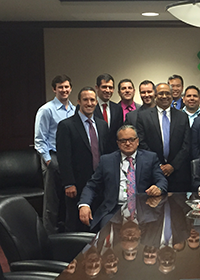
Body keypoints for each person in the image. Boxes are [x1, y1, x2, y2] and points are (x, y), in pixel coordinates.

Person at [78, 125, 167, 231]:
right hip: (113, 209)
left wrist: (158, 188)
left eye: (131, 140)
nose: (128, 143)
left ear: (137, 141)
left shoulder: (150, 158)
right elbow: (91, 186)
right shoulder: (106, 160)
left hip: (143, 208)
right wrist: (84, 204)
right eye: (123, 140)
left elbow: (161, 180)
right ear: (118, 143)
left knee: (154, 229)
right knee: (105, 231)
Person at [56, 87, 109, 231]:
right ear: (78, 101)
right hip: (77, 184)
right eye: (85, 100)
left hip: (99, 182)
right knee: (77, 222)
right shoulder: (66, 126)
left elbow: (106, 153)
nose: (89, 103)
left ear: (96, 102)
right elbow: (63, 156)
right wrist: (68, 183)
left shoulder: (102, 125)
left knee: (97, 220)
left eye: (92, 100)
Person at [34, 74, 76, 234]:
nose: (64, 90)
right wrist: (48, 160)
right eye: (60, 87)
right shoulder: (46, 110)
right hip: (53, 158)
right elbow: (39, 139)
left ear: (71, 88)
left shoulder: (74, 110)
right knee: (53, 200)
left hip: (70, 159)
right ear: (54, 89)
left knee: (69, 196)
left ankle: (67, 231)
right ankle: (49, 234)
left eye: (66, 87)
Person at [137, 83, 191, 192]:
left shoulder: (182, 116)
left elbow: (186, 144)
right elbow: (142, 142)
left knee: (178, 207)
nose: (165, 96)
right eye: (161, 93)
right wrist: (158, 165)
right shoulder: (143, 116)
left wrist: (172, 166)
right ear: (155, 95)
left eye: (168, 93)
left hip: (178, 173)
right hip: (153, 173)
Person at [94, 73, 124, 153]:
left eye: (110, 87)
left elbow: (119, 133)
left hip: (113, 153)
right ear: (97, 88)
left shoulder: (118, 108)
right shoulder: (89, 107)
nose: (107, 90)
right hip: (94, 152)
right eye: (104, 87)